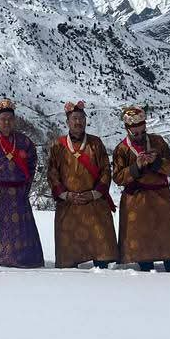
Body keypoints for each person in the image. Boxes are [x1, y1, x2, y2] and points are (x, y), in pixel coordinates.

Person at [112, 105, 170, 272]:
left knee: (169, 239)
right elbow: (118, 177)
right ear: (127, 129)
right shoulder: (122, 149)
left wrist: (157, 162)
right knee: (142, 246)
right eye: (135, 132)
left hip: (161, 197)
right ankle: (145, 270)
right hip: (136, 201)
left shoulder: (158, 142)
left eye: (141, 130)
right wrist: (136, 166)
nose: (139, 135)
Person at [0, 99, 44, 268]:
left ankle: (24, 263)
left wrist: (25, 187)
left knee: (22, 233)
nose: (7, 122)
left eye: (10, 119)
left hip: (18, 195)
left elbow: (32, 165)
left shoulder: (24, 142)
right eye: (3, 119)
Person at [46, 101, 117, 269]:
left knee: (102, 257)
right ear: (68, 122)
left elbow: (106, 170)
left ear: (85, 121)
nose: (78, 122)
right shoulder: (58, 145)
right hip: (69, 204)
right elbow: (52, 173)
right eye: (74, 118)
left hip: (94, 203)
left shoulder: (95, 143)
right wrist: (66, 194)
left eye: (81, 118)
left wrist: (94, 193)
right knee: (69, 259)